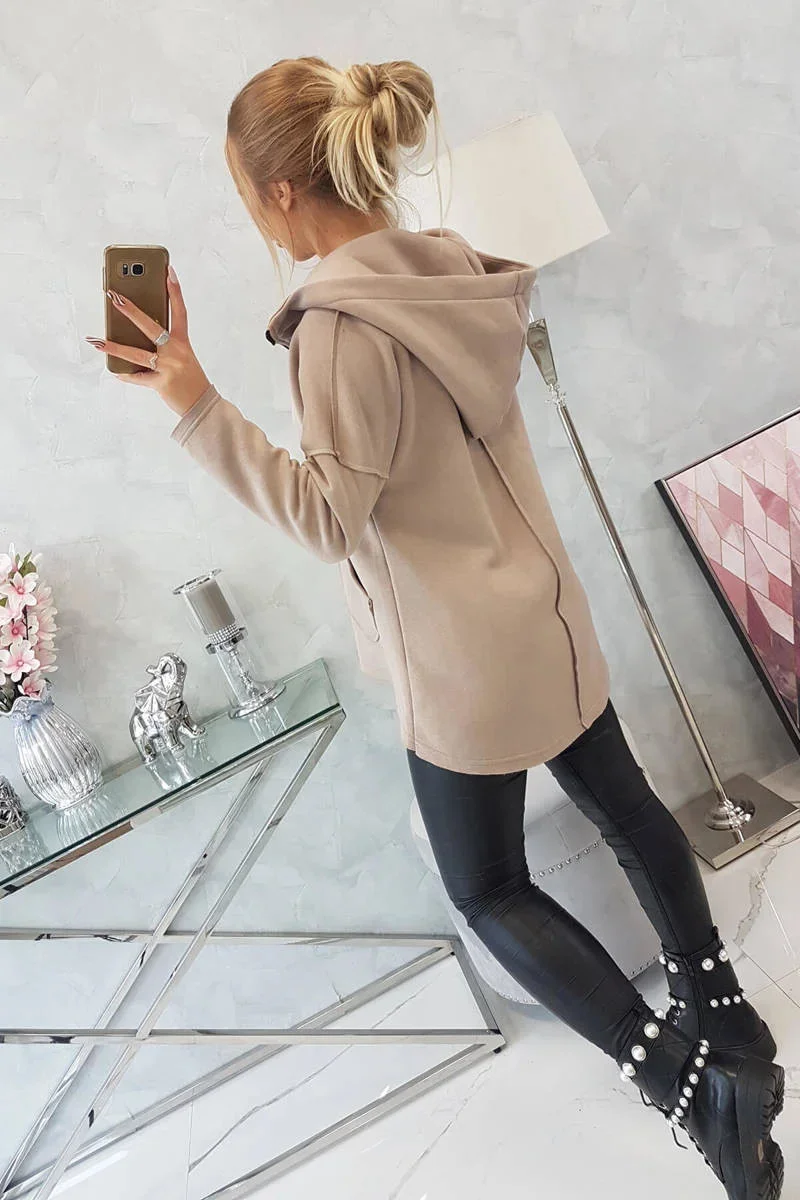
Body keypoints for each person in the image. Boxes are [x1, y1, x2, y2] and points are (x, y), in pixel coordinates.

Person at [86, 56, 785, 1199]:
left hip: (459, 658)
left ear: (279, 193)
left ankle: (686, 1086)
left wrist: (192, 403)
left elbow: (326, 516)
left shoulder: (335, 329)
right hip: (544, 611)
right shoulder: (451, 270)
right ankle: (726, 1017)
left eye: (243, 195)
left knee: (487, 888)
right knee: (625, 809)